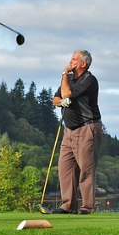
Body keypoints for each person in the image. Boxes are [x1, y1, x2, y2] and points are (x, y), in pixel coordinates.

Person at [52, 50, 102, 214]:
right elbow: (56, 99)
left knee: (86, 169)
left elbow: (67, 93)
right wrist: (62, 101)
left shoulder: (89, 80)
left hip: (87, 127)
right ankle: (68, 206)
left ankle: (87, 207)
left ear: (83, 64)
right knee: (65, 168)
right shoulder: (69, 79)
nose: (70, 61)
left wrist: (65, 73)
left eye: (74, 59)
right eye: (70, 59)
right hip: (69, 130)